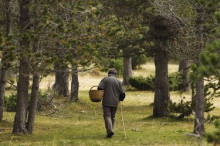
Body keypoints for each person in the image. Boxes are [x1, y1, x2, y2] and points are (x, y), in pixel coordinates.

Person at [98, 69, 126, 138]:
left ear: (109, 74)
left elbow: (99, 88)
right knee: (112, 117)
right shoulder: (118, 81)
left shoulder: (105, 79)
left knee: (107, 116)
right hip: (115, 102)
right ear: (115, 74)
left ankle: (110, 130)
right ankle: (111, 130)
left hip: (106, 101)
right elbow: (123, 93)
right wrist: (121, 99)